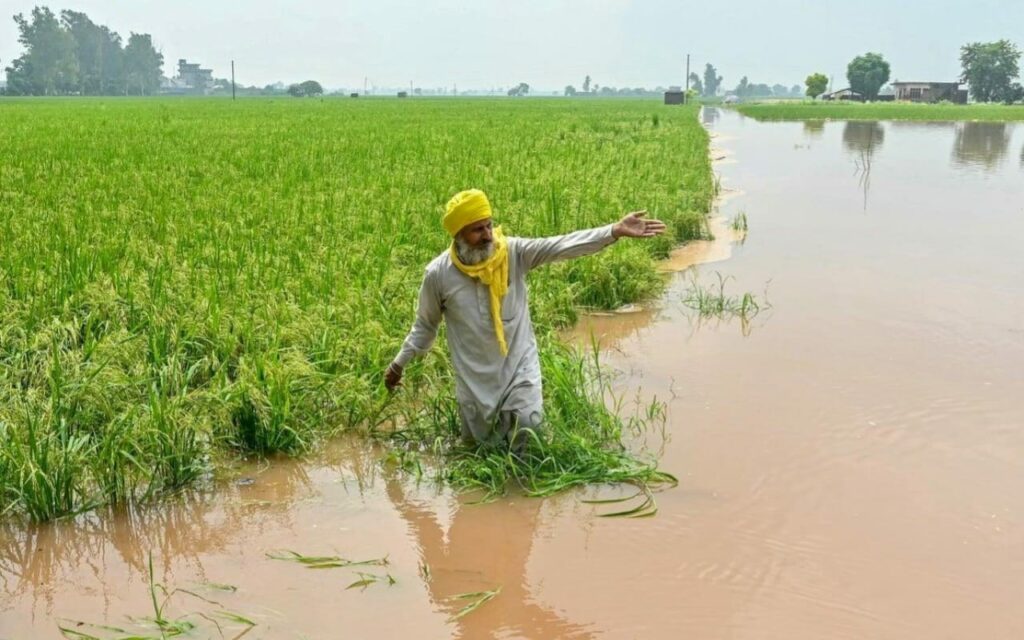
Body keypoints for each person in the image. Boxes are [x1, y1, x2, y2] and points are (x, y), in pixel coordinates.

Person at [384, 189, 665, 446]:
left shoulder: (514, 253)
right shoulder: (438, 275)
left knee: (528, 432)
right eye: (476, 230)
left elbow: (560, 245)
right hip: (473, 380)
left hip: (519, 367)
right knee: (478, 451)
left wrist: (613, 231)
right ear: (458, 235)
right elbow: (425, 326)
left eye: (488, 225)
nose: (487, 235)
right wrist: (398, 364)